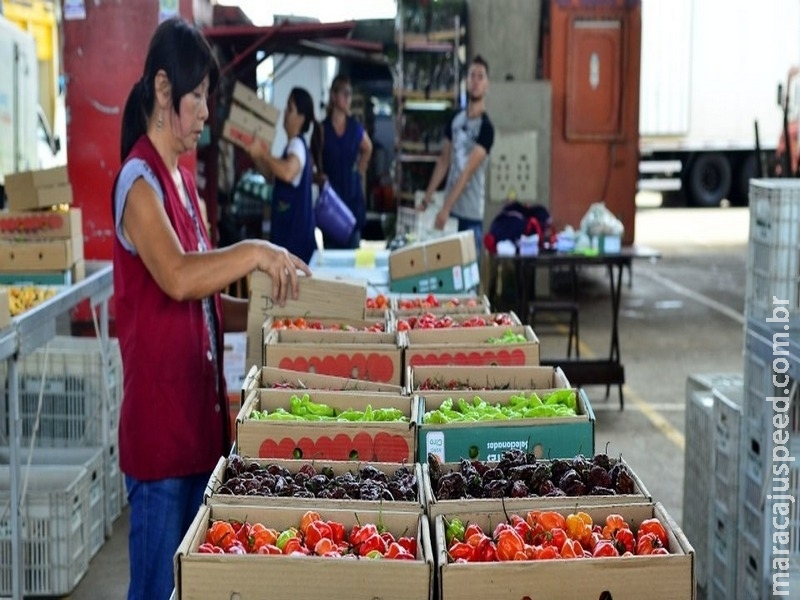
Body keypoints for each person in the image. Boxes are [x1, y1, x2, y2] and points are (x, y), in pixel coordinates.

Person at [112, 18, 310, 600]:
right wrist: (253, 252)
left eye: (208, 99)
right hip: (160, 437)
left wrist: (267, 317)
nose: (205, 112)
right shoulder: (138, 182)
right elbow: (176, 277)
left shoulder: (180, 182)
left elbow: (200, 295)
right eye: (197, 97)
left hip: (198, 426)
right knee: (154, 589)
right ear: (164, 89)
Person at [421, 55, 494, 258]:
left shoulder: (486, 129)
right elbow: (444, 161)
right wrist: (427, 198)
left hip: (470, 215)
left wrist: (445, 208)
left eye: (481, 76)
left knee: (469, 282)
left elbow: (467, 172)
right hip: (451, 215)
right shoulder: (455, 119)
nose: (476, 81)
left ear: (487, 84)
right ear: (466, 81)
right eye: (472, 75)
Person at [246, 87, 321, 263]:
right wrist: (257, 157)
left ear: (301, 118)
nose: (285, 113)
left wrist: (264, 154)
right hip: (288, 240)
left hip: (295, 242)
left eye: (290, 108)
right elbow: (274, 177)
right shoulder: (291, 147)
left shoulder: (297, 146)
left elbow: (287, 172)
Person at [320, 74, 373, 249]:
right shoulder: (322, 129)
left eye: (349, 94)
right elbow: (314, 162)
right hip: (332, 203)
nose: (348, 98)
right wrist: (320, 177)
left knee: (352, 255)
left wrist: (360, 169)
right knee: (332, 257)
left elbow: (368, 147)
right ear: (334, 96)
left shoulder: (354, 127)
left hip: (352, 198)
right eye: (345, 93)